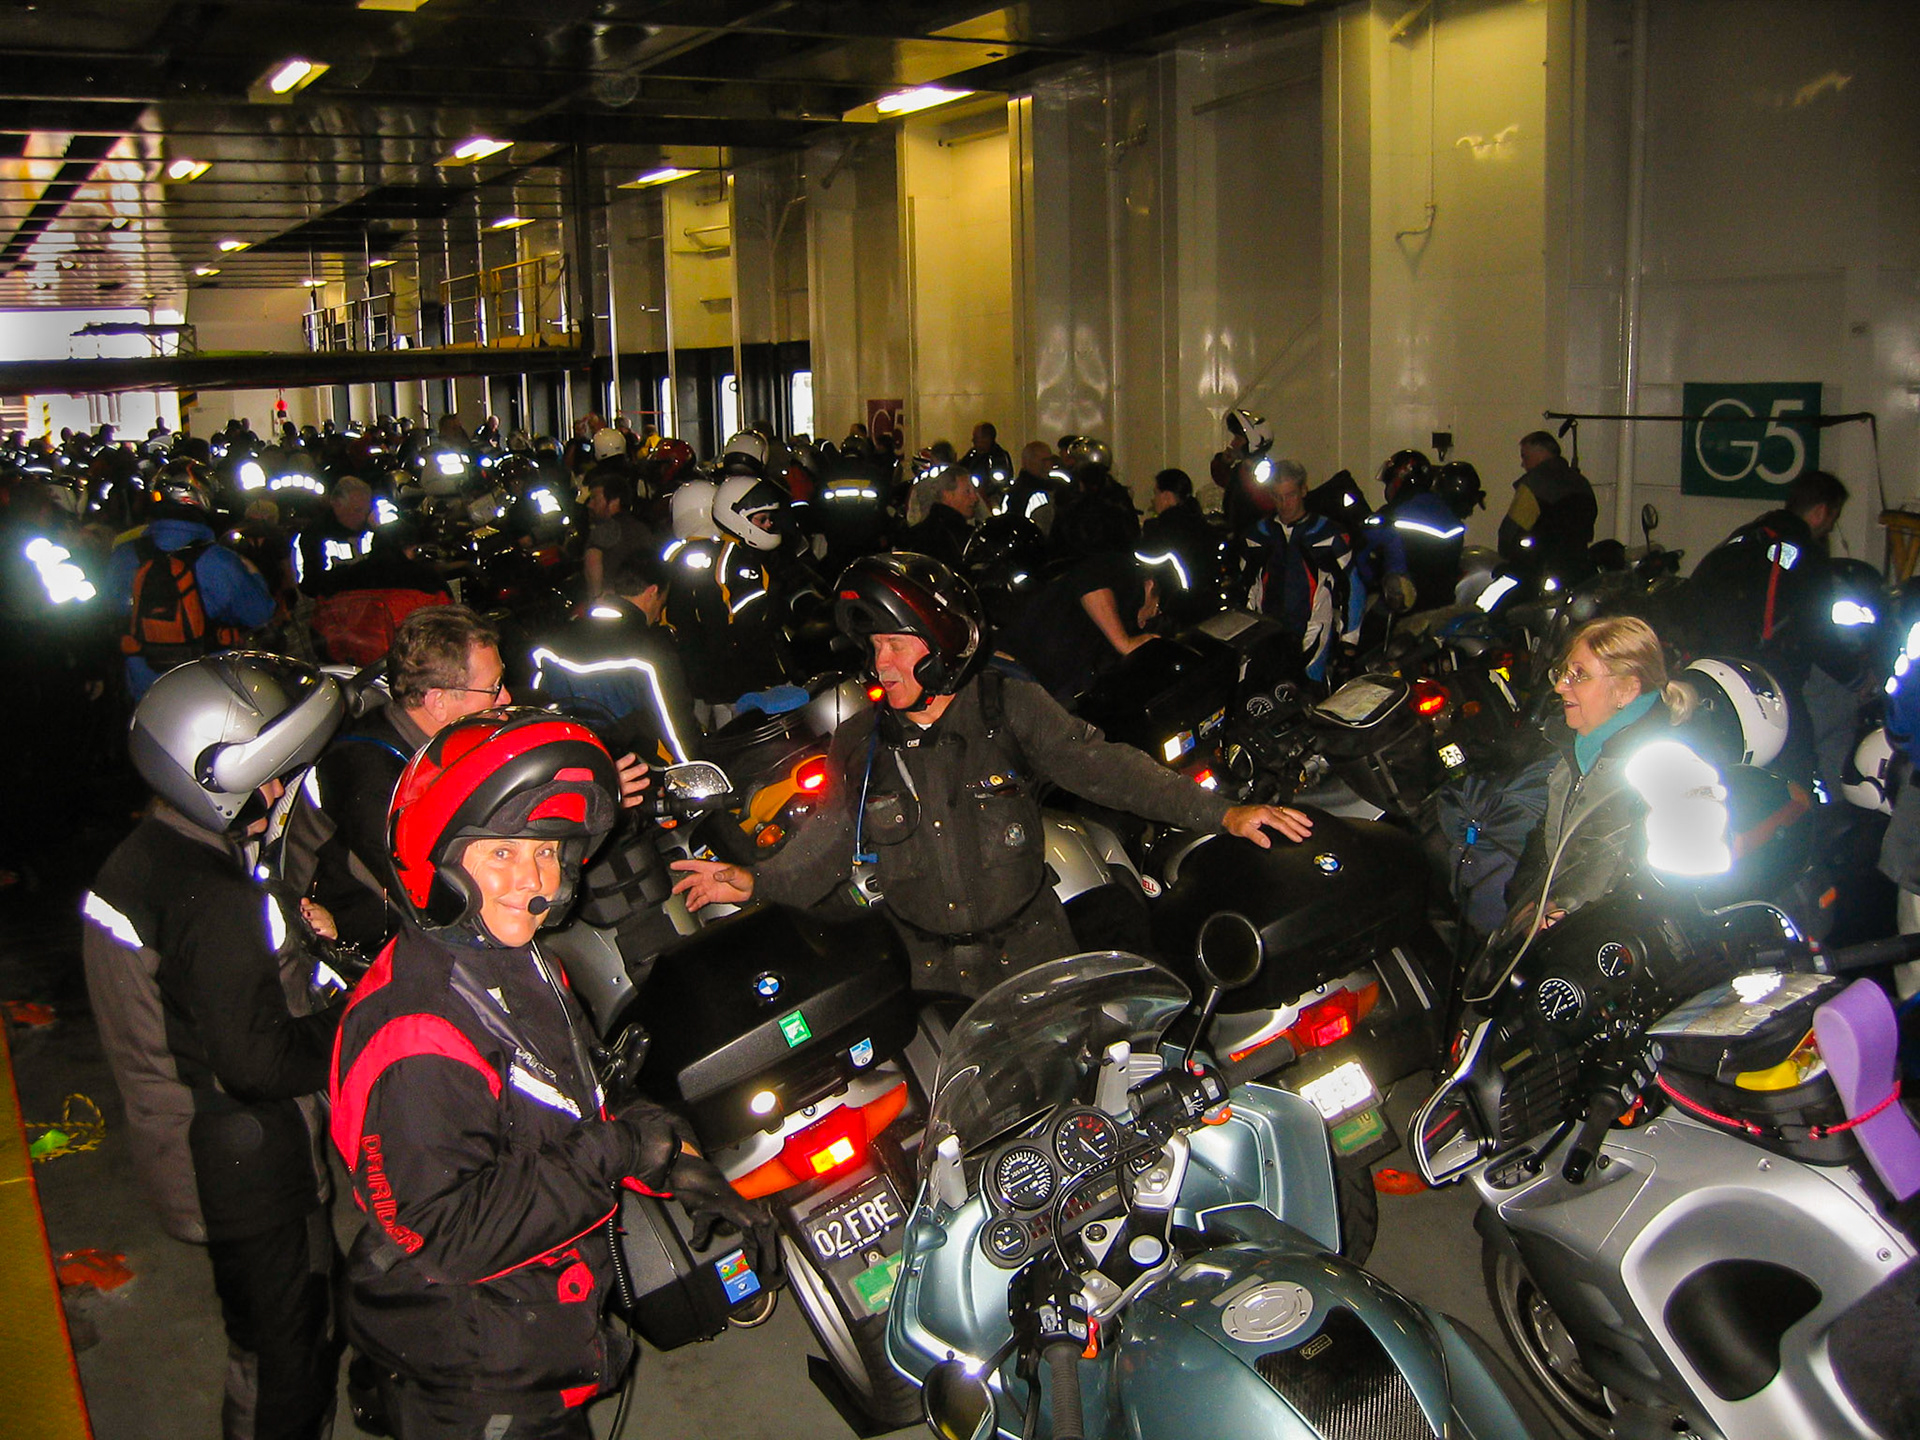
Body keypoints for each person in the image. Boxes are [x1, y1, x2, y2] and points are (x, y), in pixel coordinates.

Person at [330, 710, 779, 1438]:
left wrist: (677, 1160)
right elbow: (445, 1234)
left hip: (533, 1334)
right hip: (474, 1373)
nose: (533, 881)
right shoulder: (421, 1029)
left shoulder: (513, 960)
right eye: (502, 853)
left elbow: (584, 1093)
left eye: (547, 852)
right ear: (438, 859)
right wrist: (621, 1152)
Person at [670, 554, 1312, 997]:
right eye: (874, 648)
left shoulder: (1008, 707)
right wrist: (755, 881)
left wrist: (1223, 814)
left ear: (942, 641)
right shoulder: (862, 741)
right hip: (934, 984)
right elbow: (827, 845)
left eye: (895, 645)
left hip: (1035, 960)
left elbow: (1110, 770)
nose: (880, 663)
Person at [83, 653, 349, 1440]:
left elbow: (199, 999)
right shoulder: (210, 896)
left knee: (278, 1336)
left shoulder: (153, 858)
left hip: (193, 1144)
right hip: (244, 1165)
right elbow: (259, 1062)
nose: (280, 789)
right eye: (271, 775)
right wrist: (357, 1013)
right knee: (285, 1356)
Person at [105, 458, 276, 699]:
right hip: (209, 690)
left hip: (145, 693)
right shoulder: (219, 560)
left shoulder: (124, 554)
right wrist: (254, 573)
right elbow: (260, 613)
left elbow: (111, 611)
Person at [531, 552, 701, 767]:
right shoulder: (651, 650)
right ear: (652, 592)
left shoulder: (552, 643)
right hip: (631, 769)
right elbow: (677, 729)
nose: (659, 615)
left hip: (569, 763)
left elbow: (538, 709)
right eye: (661, 603)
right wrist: (699, 769)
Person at [1002, 550, 1160, 704]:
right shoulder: (1127, 573)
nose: (1146, 622)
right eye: (1157, 609)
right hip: (1014, 667)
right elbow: (1091, 582)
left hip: (1042, 690)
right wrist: (1125, 643)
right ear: (1151, 585)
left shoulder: (1124, 620)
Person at [1254, 460, 1351, 683]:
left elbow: (1352, 586)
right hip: (1267, 634)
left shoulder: (1328, 533)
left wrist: (1349, 642)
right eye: (1277, 496)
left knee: (1308, 690)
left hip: (1313, 631)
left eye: (1290, 495)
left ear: (1303, 491)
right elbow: (1249, 587)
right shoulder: (1258, 533)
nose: (1284, 504)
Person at [1498, 430, 1596, 582]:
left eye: (1524, 456)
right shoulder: (1581, 483)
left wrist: (1506, 556)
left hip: (1537, 570)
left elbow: (1511, 530)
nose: (1522, 464)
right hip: (1577, 569)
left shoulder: (1535, 483)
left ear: (1540, 454)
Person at [1135, 468, 1226, 625]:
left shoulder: (1166, 528)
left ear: (1167, 497)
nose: (1153, 500)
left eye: (1156, 493)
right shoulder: (1202, 524)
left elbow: (1143, 557)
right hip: (1208, 606)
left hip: (1180, 610)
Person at [581, 462, 653, 599]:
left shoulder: (605, 528)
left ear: (614, 501)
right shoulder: (643, 529)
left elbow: (593, 559)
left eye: (595, 498)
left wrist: (596, 597)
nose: (590, 505)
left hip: (609, 602)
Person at [293, 474, 375, 595]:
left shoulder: (370, 529)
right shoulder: (315, 534)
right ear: (337, 505)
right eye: (357, 510)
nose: (363, 517)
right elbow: (313, 583)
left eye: (366, 511)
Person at [898, 463, 980, 569]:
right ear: (948, 495)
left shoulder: (916, 534)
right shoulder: (961, 538)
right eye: (967, 492)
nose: (975, 498)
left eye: (974, 491)